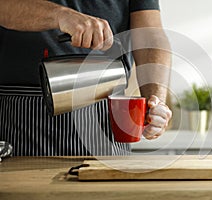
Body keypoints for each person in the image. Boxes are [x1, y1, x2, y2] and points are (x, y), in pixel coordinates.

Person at [0, 0, 172, 156]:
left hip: (106, 109)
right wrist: (60, 15)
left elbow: (149, 34)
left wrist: (155, 103)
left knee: (105, 189)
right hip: (19, 113)